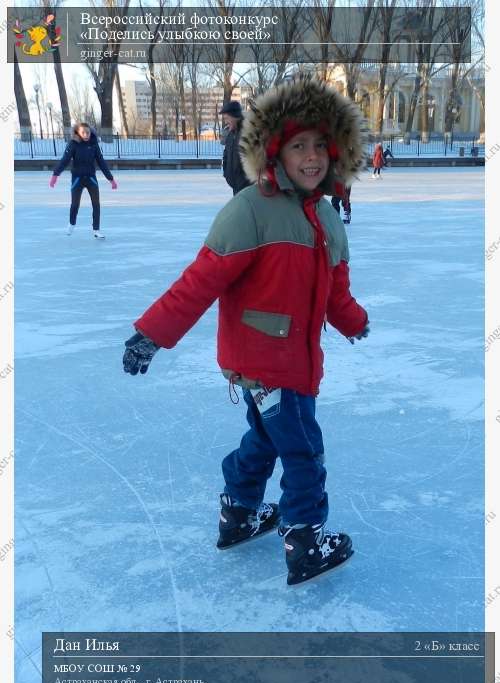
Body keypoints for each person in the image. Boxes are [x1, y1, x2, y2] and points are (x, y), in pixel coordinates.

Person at [122, 75, 370, 586]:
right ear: (275, 150)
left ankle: (238, 512)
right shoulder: (250, 210)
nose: (312, 157)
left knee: (265, 439)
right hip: (266, 361)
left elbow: (335, 293)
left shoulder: (329, 217)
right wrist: (152, 333)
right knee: (303, 447)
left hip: (296, 361)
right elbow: (200, 281)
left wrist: (354, 321)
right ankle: (304, 538)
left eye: (321, 146)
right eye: (299, 145)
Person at [49, 122, 117, 239]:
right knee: (75, 204)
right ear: (78, 133)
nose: (86, 135)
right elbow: (65, 160)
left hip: (91, 178)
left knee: (96, 204)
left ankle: (96, 230)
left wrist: (111, 179)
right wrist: (55, 175)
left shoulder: (94, 144)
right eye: (83, 132)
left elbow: (101, 162)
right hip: (77, 179)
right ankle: (72, 223)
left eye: (88, 132)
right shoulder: (73, 144)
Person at [220, 100, 251, 195]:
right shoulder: (230, 135)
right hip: (236, 186)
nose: (225, 122)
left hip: (248, 188)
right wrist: (227, 174)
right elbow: (226, 156)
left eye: (227, 118)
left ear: (235, 117)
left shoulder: (248, 133)